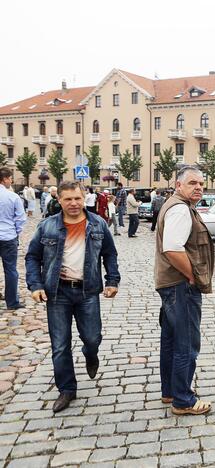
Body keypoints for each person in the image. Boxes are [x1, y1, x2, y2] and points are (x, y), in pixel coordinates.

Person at [25, 181, 120, 413]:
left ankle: (91, 354)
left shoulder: (97, 224)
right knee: (60, 344)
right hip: (57, 292)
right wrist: (35, 285)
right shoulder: (47, 226)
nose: (74, 203)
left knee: (92, 337)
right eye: (68, 199)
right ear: (60, 200)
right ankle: (67, 389)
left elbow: (109, 254)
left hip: (88, 291)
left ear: (83, 197)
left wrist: (112, 280)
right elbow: (31, 257)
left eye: (77, 198)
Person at [154, 166, 214, 415]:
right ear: (179, 185)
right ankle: (183, 400)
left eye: (201, 183)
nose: (198, 187)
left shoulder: (178, 205)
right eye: (192, 183)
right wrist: (191, 275)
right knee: (186, 344)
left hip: (171, 285)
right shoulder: (179, 209)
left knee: (170, 341)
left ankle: (170, 391)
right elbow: (173, 249)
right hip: (180, 286)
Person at [0, 168, 27, 310]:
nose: (11, 181)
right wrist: (15, 232)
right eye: (10, 178)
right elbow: (20, 218)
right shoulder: (13, 196)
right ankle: (12, 302)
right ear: (4, 179)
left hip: (7, 235)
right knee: (10, 270)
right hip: (8, 237)